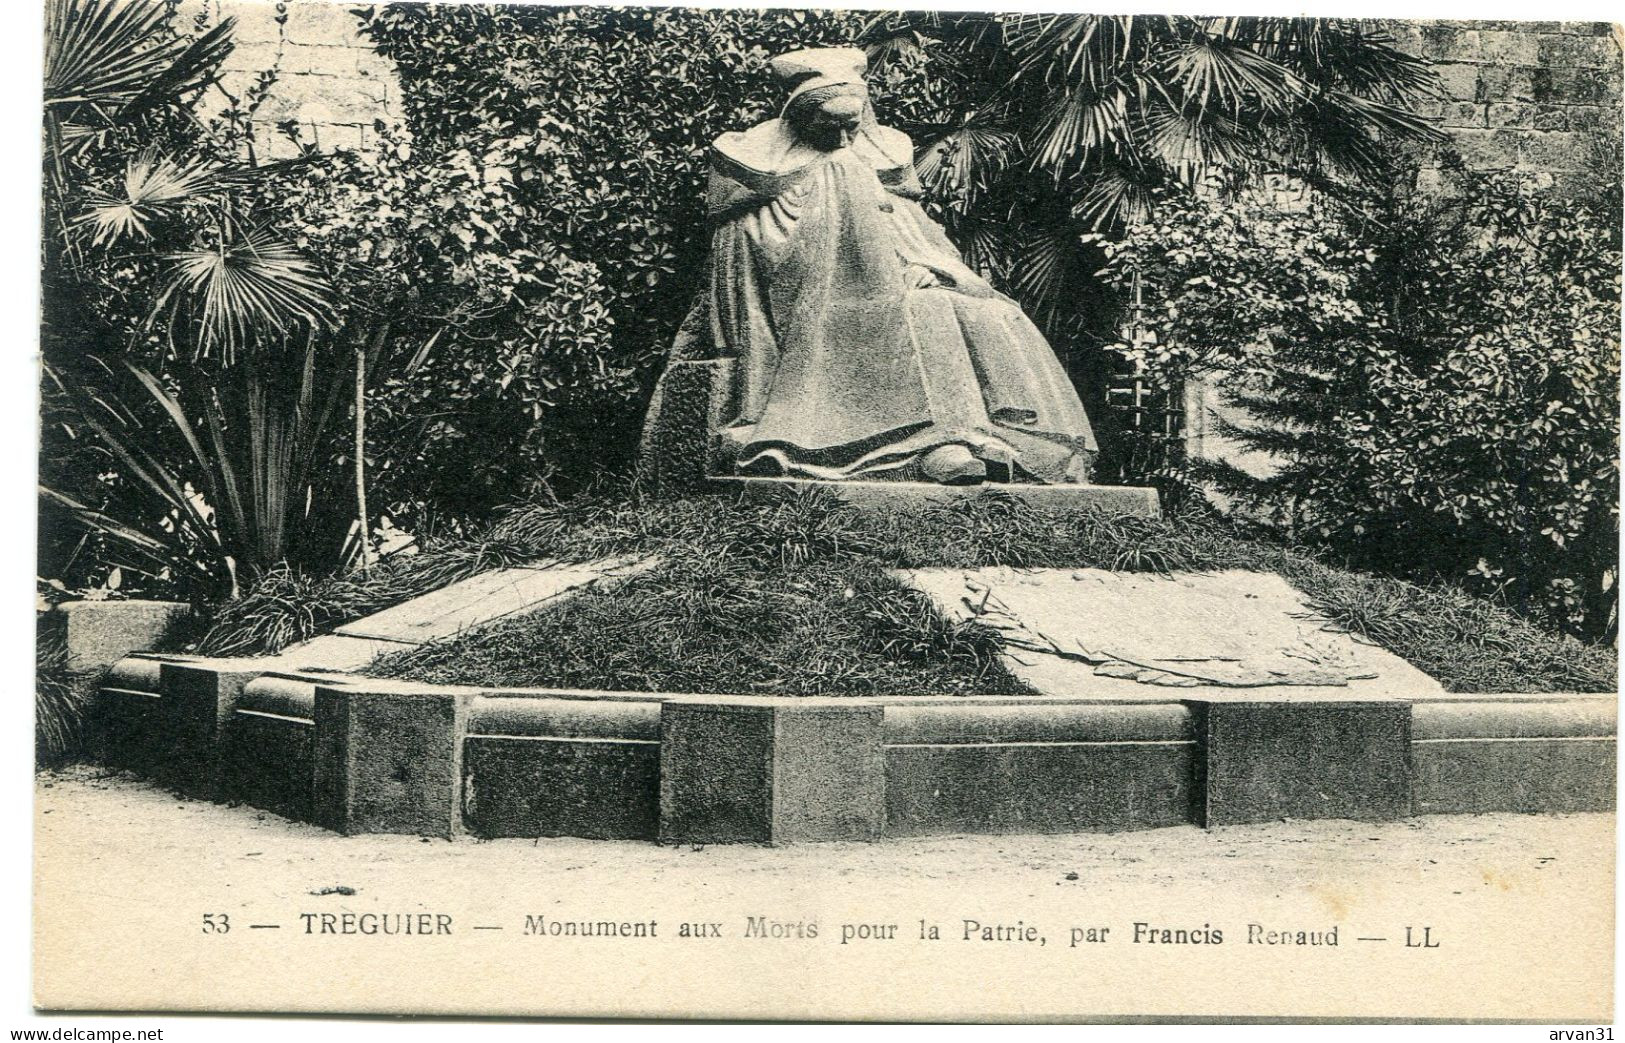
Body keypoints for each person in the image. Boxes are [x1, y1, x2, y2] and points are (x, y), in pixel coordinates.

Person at [702, 47, 1098, 485]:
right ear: (798, 120)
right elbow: (770, 266)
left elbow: (921, 239)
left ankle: (991, 437)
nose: (841, 139)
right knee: (925, 313)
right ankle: (932, 445)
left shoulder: (869, 166)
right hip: (827, 307)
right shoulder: (766, 179)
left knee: (987, 312)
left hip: (902, 286)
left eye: (851, 126)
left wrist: (932, 267)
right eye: (827, 126)